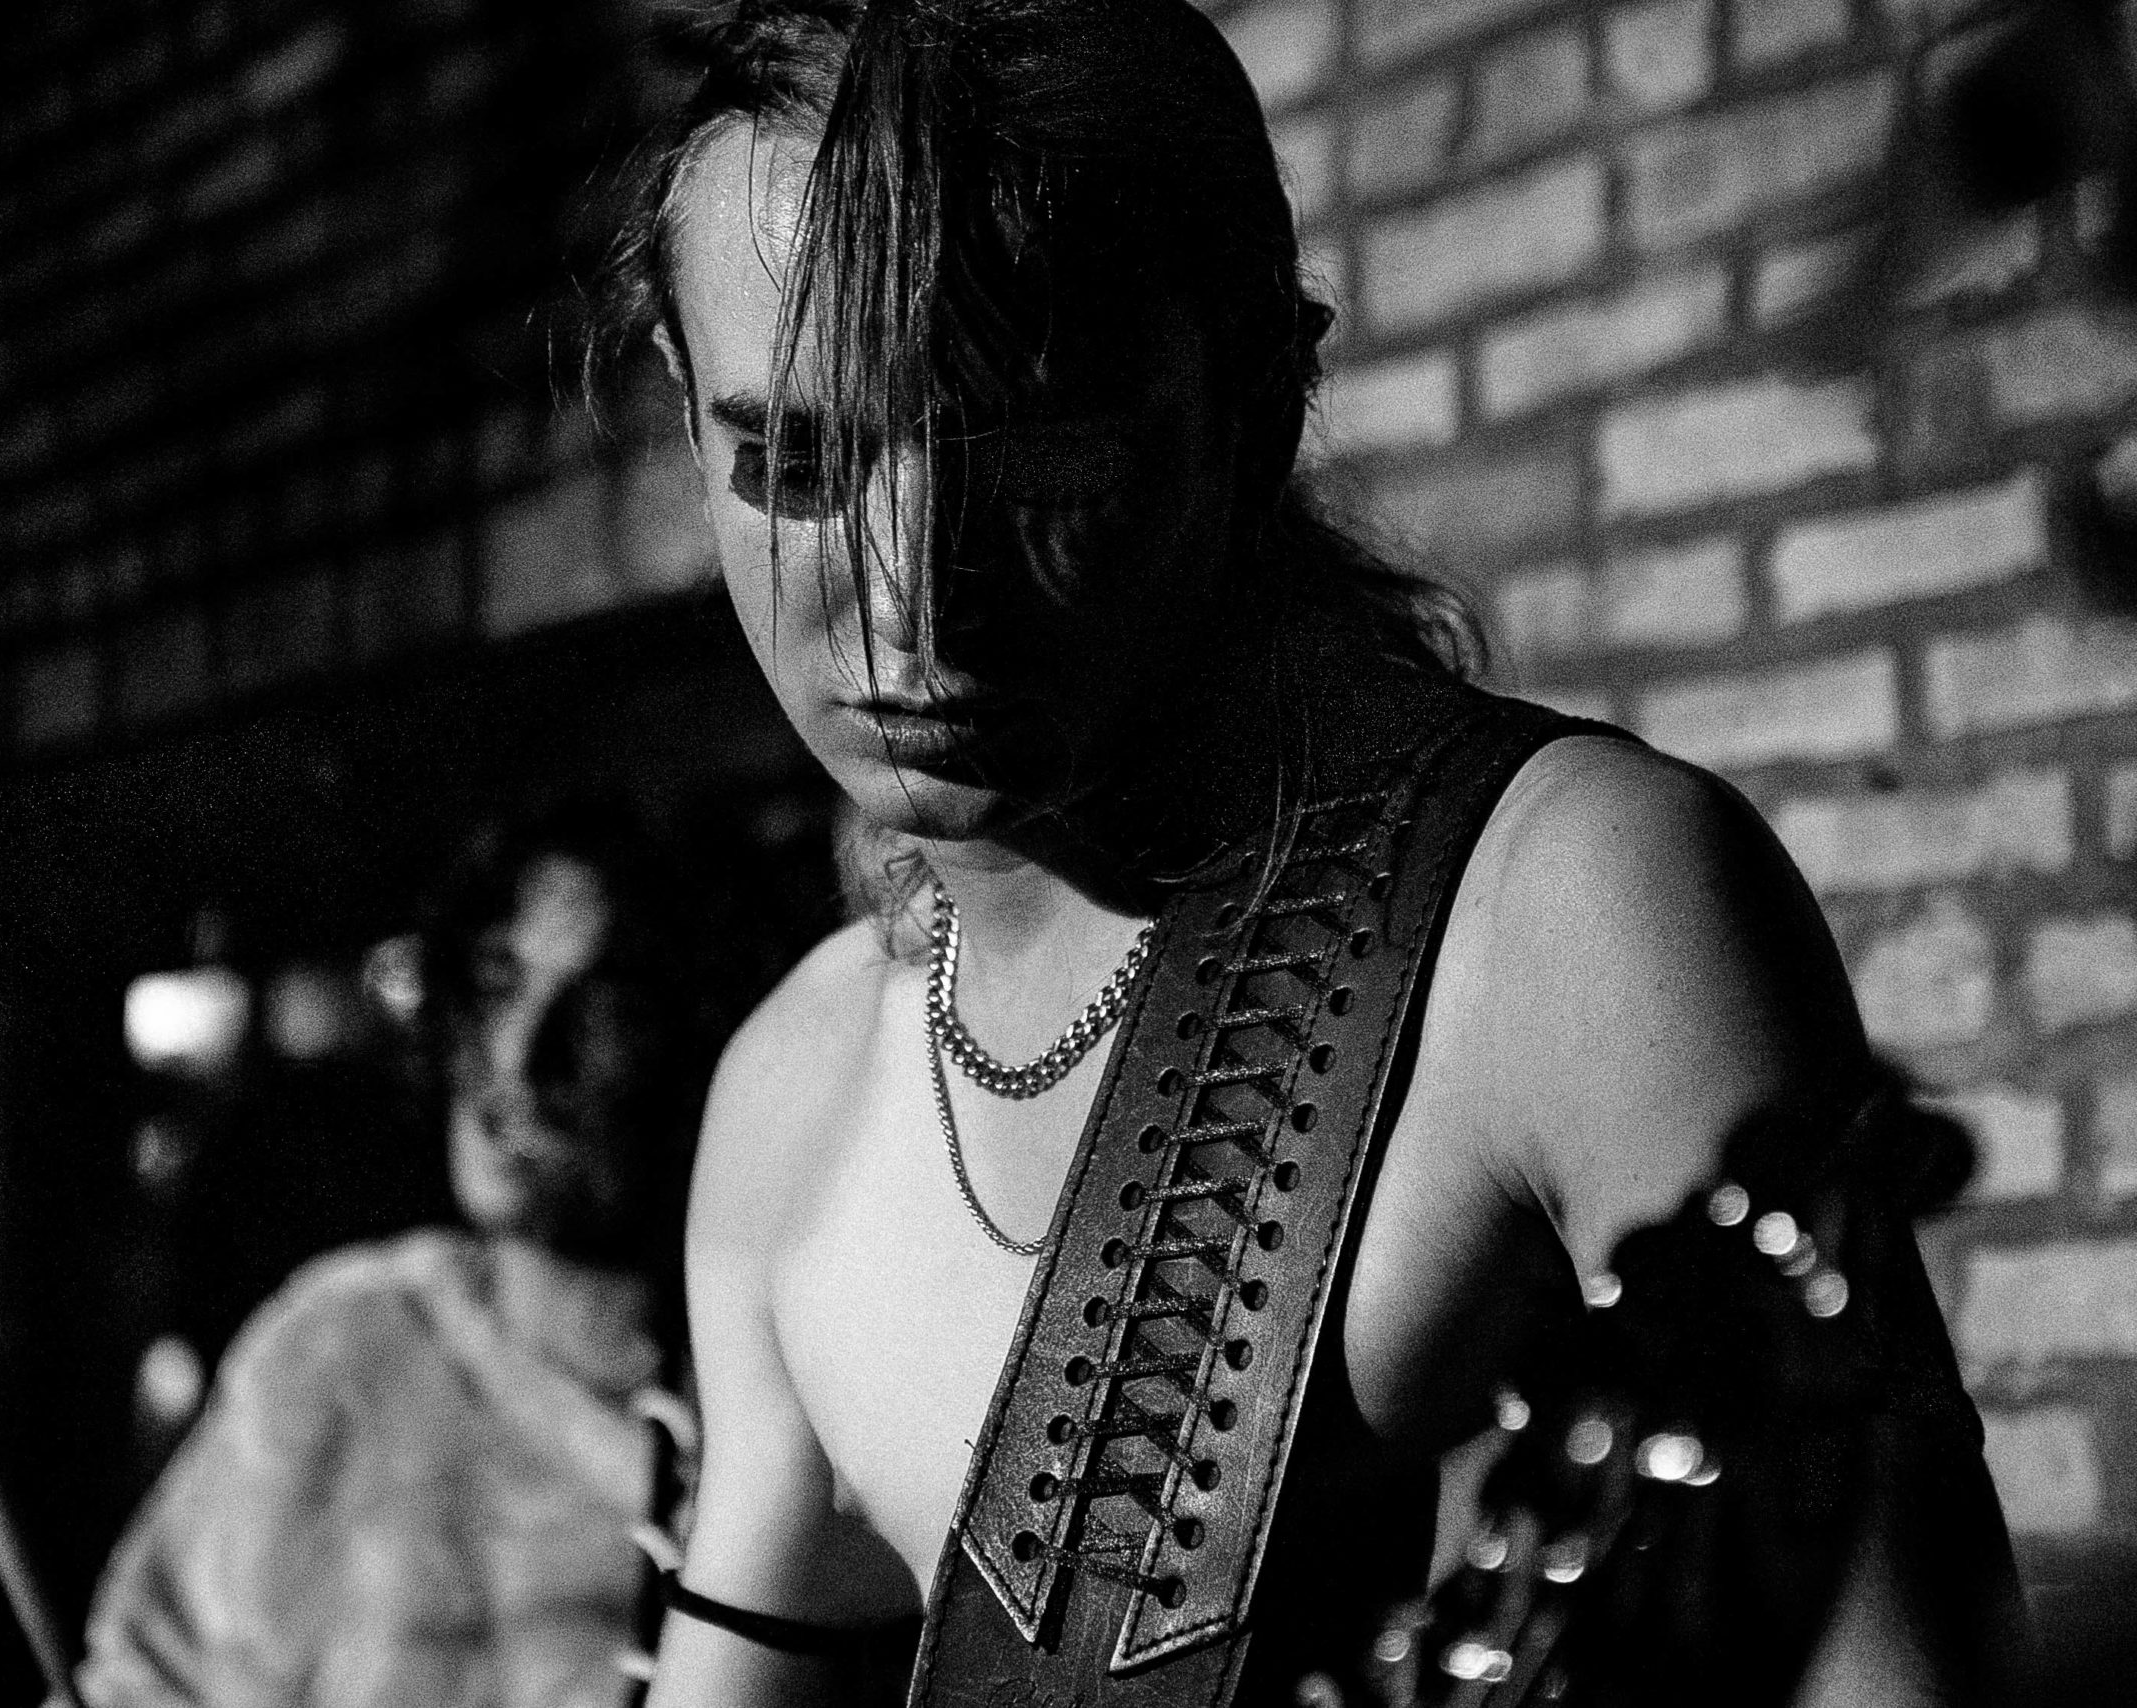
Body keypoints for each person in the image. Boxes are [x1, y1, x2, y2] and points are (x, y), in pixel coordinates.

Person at [585, 2, 2024, 1704]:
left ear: (1257, 400)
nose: (911, 598)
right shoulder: (793, 1092)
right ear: (688, 423)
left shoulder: (1563, 906)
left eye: (1033, 446)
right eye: (795, 460)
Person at [76, 807, 766, 1708]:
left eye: (604, 1009)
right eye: (497, 982)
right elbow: (139, 1683)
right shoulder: (340, 1346)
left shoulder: (755, 1431)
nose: (520, 1059)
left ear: (700, 1046)